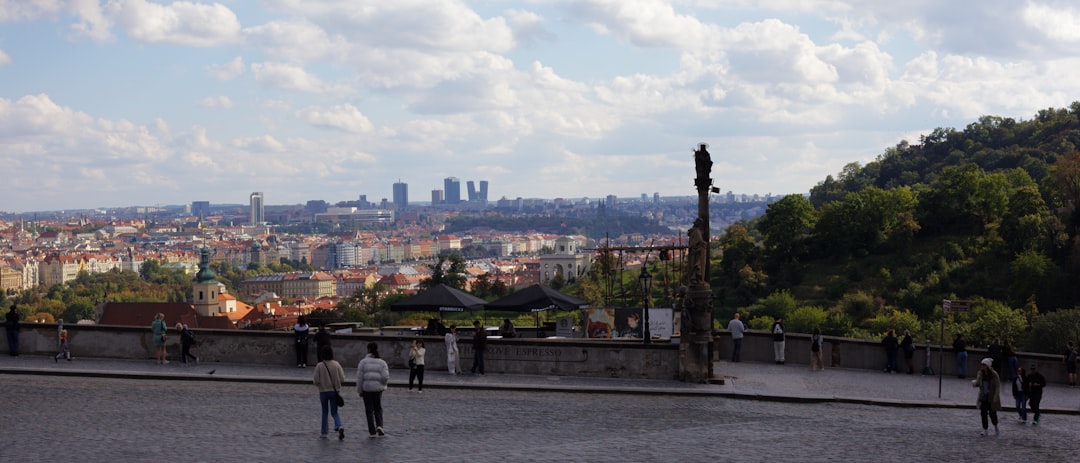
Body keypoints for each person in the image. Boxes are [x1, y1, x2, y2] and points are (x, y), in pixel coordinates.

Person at [357, 342, 389, 437]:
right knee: (378, 408)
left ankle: (372, 430)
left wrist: (360, 390)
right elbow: (385, 377)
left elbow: (359, 378)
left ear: (369, 350)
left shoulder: (363, 362)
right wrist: (382, 385)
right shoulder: (382, 362)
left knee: (369, 410)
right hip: (378, 389)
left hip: (366, 389)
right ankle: (380, 425)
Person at [313, 345, 345, 440]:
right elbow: (342, 378)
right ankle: (339, 425)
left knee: (324, 412)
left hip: (323, 391)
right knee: (334, 412)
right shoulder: (336, 364)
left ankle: (324, 432)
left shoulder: (319, 365)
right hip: (334, 391)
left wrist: (320, 384)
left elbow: (315, 380)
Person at [972, 357, 1001, 436]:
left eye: (984, 365)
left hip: (991, 397)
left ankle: (995, 426)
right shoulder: (980, 373)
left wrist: (996, 396)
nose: (982, 366)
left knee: (992, 413)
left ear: (988, 366)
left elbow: (998, 386)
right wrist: (974, 383)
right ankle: (985, 429)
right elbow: (978, 383)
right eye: (982, 364)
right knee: (983, 413)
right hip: (983, 396)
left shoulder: (994, 374)